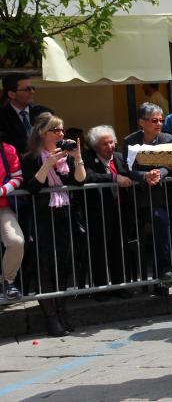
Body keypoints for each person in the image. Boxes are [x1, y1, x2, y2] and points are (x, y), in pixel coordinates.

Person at [21, 113, 86, 336]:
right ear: (42, 132)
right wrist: (48, 163)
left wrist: (77, 157)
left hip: (63, 216)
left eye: (62, 130)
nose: (61, 134)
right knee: (46, 266)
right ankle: (51, 317)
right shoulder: (31, 158)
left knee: (65, 265)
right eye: (56, 130)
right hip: (41, 217)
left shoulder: (64, 158)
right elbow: (32, 187)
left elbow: (79, 181)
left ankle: (61, 310)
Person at [122, 103, 172, 285]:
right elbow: (128, 169)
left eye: (161, 120)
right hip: (139, 198)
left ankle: (165, 270)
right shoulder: (130, 141)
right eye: (154, 120)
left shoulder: (168, 139)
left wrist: (158, 173)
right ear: (142, 123)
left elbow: (170, 164)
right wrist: (144, 176)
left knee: (161, 220)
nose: (159, 124)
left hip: (163, 197)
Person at [82, 125, 135, 299]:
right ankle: (101, 289)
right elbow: (88, 176)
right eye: (105, 144)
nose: (110, 147)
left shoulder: (119, 158)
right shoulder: (87, 158)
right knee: (99, 251)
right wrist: (113, 178)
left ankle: (121, 286)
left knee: (119, 248)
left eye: (112, 142)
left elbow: (131, 174)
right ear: (95, 146)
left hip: (119, 209)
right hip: (97, 211)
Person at [0, 73, 53, 155]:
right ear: (11, 94)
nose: (32, 92)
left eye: (32, 88)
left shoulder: (44, 113)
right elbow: (6, 146)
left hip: (46, 162)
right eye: (27, 89)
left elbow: (55, 136)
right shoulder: (2, 117)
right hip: (17, 164)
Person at [0, 130, 24, 300]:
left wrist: (2, 190)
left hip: (3, 207)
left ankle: (7, 281)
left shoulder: (7, 149)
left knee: (16, 241)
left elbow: (17, 178)